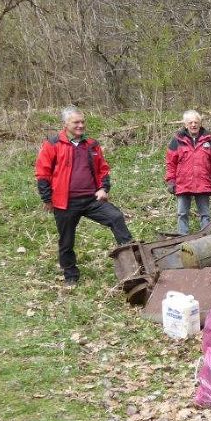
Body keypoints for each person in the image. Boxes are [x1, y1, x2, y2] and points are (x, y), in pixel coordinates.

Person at [35, 106, 134, 286]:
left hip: (91, 200)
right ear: (66, 124)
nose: (81, 125)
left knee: (116, 217)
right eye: (76, 122)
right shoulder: (53, 144)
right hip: (65, 202)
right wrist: (47, 198)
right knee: (66, 241)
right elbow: (43, 172)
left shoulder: (92, 144)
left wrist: (104, 188)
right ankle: (70, 275)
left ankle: (132, 261)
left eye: (82, 122)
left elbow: (103, 169)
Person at [165, 110, 211, 234]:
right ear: (185, 125)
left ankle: (205, 238)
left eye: (196, 122)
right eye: (190, 122)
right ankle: (182, 239)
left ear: (200, 123)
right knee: (182, 214)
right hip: (183, 183)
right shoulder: (177, 140)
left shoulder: (210, 139)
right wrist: (171, 180)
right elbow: (171, 163)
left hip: (203, 182)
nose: (193, 125)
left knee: (205, 214)